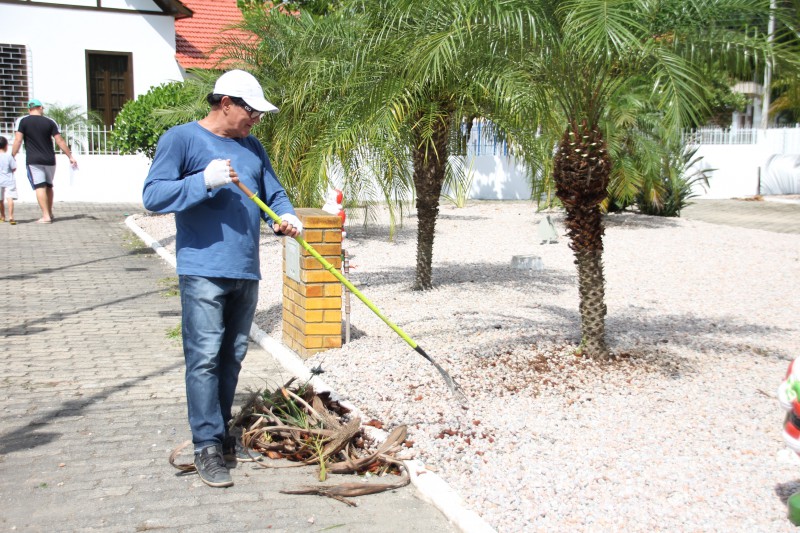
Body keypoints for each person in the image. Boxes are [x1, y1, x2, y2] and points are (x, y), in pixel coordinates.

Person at [142, 69, 303, 488]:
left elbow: (275, 192)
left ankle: (220, 431)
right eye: (252, 111)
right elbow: (153, 196)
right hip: (202, 270)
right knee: (204, 358)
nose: (257, 120)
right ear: (226, 103)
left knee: (231, 357)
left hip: (245, 270)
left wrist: (285, 215)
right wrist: (203, 181)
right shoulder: (182, 139)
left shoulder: (252, 147)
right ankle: (206, 446)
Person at [11, 99, 78, 224]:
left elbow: (18, 140)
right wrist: (70, 156)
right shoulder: (50, 122)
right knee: (49, 185)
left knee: (40, 186)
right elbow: (60, 141)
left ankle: (46, 216)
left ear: (29, 109)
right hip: (50, 159)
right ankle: (50, 213)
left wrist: (12, 155)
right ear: (40, 108)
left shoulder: (23, 121)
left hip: (34, 160)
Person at [0, 136, 18, 225]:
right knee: (9, 198)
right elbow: (14, 168)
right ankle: (11, 217)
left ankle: (2, 216)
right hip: (9, 180)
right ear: (6, 146)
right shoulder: (9, 157)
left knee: (0, 199)